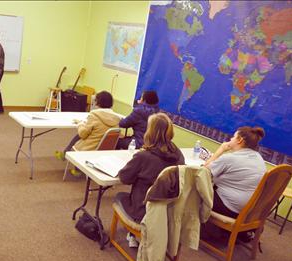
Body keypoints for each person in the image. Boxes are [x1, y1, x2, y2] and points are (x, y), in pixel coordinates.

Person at [115, 112, 185, 247]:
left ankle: (134, 233)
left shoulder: (144, 156)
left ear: (150, 132)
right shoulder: (178, 154)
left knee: (120, 196)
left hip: (143, 210)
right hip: (167, 210)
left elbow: (124, 178)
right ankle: (134, 235)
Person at [202, 126, 266, 242]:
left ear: (239, 140)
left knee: (198, 189)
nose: (230, 139)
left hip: (231, 208)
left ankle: (199, 231)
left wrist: (220, 150)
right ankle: (237, 233)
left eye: (233, 136)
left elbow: (203, 171)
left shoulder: (230, 158)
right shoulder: (259, 158)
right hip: (250, 210)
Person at [55, 91, 121, 174]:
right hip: (105, 148)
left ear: (98, 102)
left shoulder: (94, 115)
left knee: (79, 135)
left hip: (90, 147)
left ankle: (74, 165)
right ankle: (66, 155)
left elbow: (83, 134)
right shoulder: (116, 118)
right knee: (81, 134)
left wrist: (80, 124)